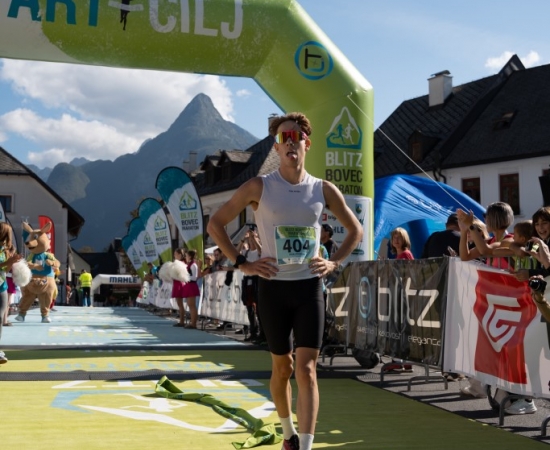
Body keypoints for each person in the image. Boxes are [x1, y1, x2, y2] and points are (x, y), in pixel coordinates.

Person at [207, 112, 363, 450]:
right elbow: (216, 224)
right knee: (283, 368)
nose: (290, 142)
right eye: (283, 138)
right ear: (277, 147)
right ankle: (288, 432)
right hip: (273, 288)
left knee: (306, 370)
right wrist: (242, 263)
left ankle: (304, 446)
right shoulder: (259, 186)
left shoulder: (322, 189)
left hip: (309, 288)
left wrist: (334, 262)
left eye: (295, 137)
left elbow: (356, 230)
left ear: (307, 143)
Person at [0, 222, 23, 364]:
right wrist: (8, 261)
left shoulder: (4, 250)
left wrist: (12, 261)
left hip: (2, 286)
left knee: (0, 317)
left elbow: (5, 270)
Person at [181, 250, 201, 329]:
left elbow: (194, 277)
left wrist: (185, 276)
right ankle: (192, 322)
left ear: (190, 256)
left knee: (192, 305)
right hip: (189, 285)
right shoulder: (189, 264)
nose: (185, 257)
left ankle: (193, 324)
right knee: (190, 305)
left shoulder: (193, 265)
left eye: (186, 256)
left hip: (192, 286)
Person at [171, 248, 187, 327]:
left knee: (180, 304)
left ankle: (182, 321)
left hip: (179, 283)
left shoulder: (181, 263)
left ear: (180, 255)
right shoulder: (178, 263)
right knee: (179, 304)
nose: (174, 255)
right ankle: (181, 320)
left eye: (175, 254)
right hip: (177, 283)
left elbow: (180, 274)